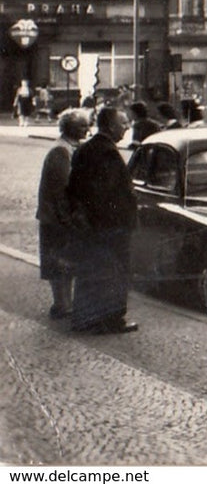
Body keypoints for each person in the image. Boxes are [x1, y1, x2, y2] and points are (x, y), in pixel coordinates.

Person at [66, 105, 139, 334]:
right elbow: (107, 193)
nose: (127, 127)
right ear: (110, 125)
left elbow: (74, 188)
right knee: (115, 272)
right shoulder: (107, 152)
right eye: (123, 123)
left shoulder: (85, 149)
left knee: (90, 271)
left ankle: (85, 318)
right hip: (110, 225)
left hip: (91, 224)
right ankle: (113, 319)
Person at [37, 109, 88, 320]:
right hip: (56, 218)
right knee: (58, 262)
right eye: (83, 126)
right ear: (70, 128)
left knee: (64, 261)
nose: (87, 129)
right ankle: (61, 304)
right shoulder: (61, 151)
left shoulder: (69, 148)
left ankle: (65, 304)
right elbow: (61, 188)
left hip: (58, 216)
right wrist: (68, 219)